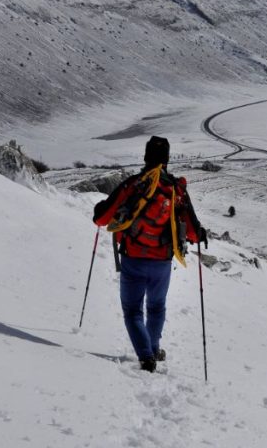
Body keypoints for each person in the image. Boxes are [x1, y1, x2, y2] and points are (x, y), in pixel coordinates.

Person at [93, 136, 208, 372]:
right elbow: (194, 233)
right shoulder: (176, 190)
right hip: (162, 262)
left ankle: (146, 357)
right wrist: (200, 233)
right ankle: (153, 349)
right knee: (156, 307)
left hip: (133, 258)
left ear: (146, 157)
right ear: (167, 159)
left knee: (132, 311)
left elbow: (102, 219)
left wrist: (99, 209)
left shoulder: (133, 185)